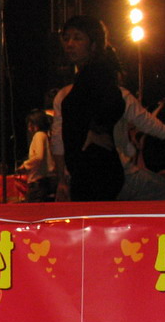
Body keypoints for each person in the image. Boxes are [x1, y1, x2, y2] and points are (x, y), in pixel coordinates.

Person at [51, 15, 126, 201]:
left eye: (77, 38)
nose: (70, 44)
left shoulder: (97, 71)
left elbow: (116, 101)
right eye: (66, 38)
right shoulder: (86, 73)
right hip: (88, 169)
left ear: (93, 44)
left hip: (96, 169)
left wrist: (94, 129)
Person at [17, 109, 56, 202]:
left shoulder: (39, 135)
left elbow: (39, 156)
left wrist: (25, 165)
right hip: (44, 181)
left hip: (38, 182)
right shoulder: (45, 136)